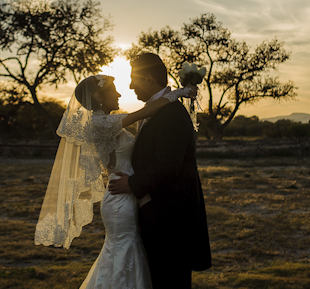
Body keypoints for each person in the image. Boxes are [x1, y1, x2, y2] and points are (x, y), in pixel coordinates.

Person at [34, 73, 195, 288]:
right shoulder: (99, 122)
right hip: (121, 197)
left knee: (128, 250)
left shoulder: (107, 122)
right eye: (113, 90)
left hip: (127, 193)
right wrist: (179, 93)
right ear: (97, 95)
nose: (119, 93)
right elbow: (145, 112)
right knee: (123, 250)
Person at [108, 53, 212, 289]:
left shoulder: (172, 114)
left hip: (171, 218)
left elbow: (167, 164)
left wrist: (132, 184)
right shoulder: (161, 109)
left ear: (147, 78)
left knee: (171, 279)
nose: (131, 86)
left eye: (133, 80)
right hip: (160, 214)